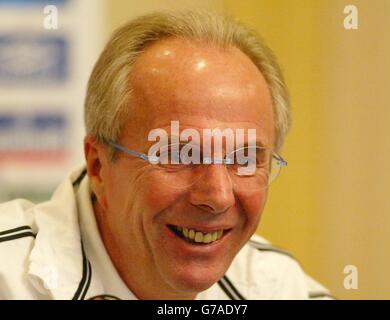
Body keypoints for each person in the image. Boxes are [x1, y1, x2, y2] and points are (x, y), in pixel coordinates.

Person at [0, 10, 331, 300]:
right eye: (180, 154)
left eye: (245, 159)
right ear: (99, 166)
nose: (217, 197)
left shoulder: (278, 288)